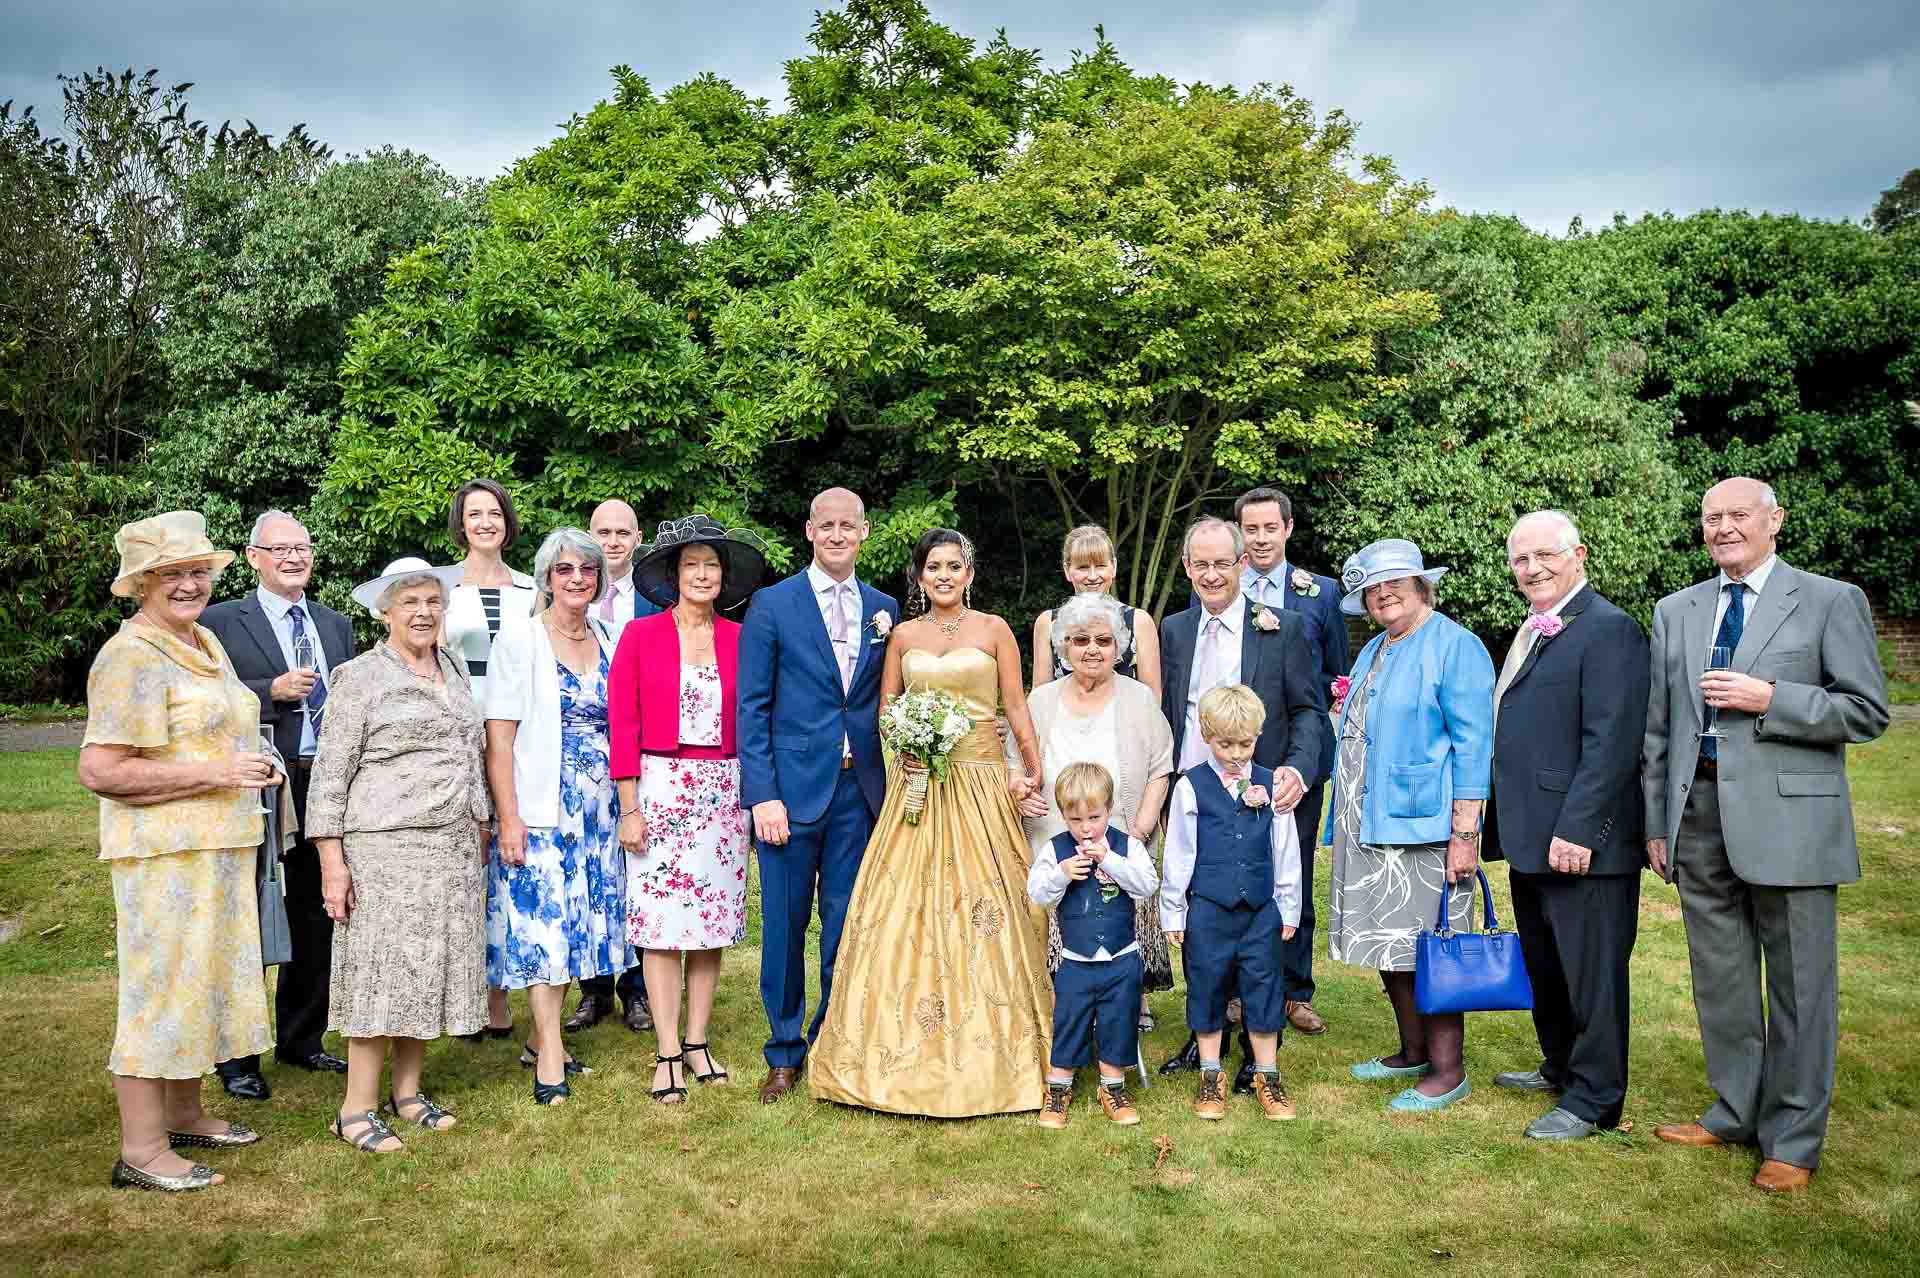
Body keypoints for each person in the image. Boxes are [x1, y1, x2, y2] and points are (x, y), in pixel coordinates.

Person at [1642, 478, 1889, 1193]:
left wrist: (1773, 699)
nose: (1723, 528)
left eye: (1738, 515)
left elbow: (1867, 710)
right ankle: (1733, 1111)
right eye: (1711, 517)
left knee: (1801, 988)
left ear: (1774, 521)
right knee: (1720, 981)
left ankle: (1793, 1138)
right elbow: (1660, 727)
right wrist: (1659, 821)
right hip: (1698, 819)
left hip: (1793, 822)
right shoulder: (1677, 610)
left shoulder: (1829, 600)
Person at [808, 527, 1054, 1117]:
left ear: (970, 574)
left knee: (990, 909)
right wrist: (907, 745)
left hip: (980, 784)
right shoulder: (902, 636)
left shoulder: (995, 630)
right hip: (921, 788)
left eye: (954, 566)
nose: (944, 576)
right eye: (933, 567)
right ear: (920, 576)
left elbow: (1014, 705)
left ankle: (1006, 1057)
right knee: (902, 910)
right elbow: (885, 709)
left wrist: (1032, 766)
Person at [79, 511, 276, 1191]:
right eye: (174, 574)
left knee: (207, 983)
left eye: (199, 571)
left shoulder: (202, 642)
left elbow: (215, 734)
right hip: (162, 857)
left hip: (219, 845)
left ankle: (187, 1111)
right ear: (142, 584)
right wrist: (219, 773)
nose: (192, 584)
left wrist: (251, 765)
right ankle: (141, 1149)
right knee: (160, 991)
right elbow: (102, 770)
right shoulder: (129, 656)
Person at [307, 558, 492, 1150]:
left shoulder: (455, 666)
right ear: (385, 611)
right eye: (409, 602)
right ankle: (355, 1109)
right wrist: (332, 864)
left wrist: (483, 819)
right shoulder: (358, 677)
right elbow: (330, 777)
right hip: (386, 848)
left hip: (455, 844)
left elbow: (473, 748)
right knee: (383, 973)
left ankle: (407, 1093)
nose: (422, 612)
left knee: (430, 968)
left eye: (432, 601)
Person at [1483, 511, 1649, 1140]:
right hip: (1531, 834)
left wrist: (1580, 828)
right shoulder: (1536, 628)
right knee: (1546, 963)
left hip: (1582, 839)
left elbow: (1612, 742)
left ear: (1577, 554)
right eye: (1521, 560)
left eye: (1544, 556)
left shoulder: (1610, 630)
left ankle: (1595, 1099)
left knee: (1592, 973)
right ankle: (1559, 1064)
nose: (1532, 569)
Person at [735, 488, 898, 1104]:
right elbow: (753, 707)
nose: (836, 535)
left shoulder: (884, 608)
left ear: (863, 532)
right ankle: (782, 1051)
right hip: (789, 795)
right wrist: (763, 796)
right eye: (825, 525)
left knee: (845, 923)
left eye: (847, 526)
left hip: (859, 793)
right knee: (781, 926)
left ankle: (830, 1035)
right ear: (809, 531)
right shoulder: (773, 606)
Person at [1324, 539, 1494, 1113]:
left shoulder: (1456, 646)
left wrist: (1465, 834)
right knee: (1388, 943)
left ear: (1423, 586)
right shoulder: (1374, 646)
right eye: (1372, 588)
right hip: (1368, 821)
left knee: (1433, 947)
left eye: (1395, 582)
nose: (1382, 593)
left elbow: (1474, 748)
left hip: (1424, 828)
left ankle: (1449, 1070)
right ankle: (1412, 1050)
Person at [1157, 516, 1322, 1085]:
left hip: (1259, 792)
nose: (1211, 575)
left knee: (1256, 916)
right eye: (1199, 564)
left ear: (1241, 564)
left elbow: (1308, 710)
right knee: (1203, 922)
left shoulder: (1284, 628)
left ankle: (1257, 1050)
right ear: (1186, 568)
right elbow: (1166, 710)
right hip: (1194, 794)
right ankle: (1205, 1038)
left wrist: (1296, 771)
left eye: (1221, 563)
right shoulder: (1173, 630)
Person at [609, 516, 765, 1104]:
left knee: (710, 927)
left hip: (723, 790)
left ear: (723, 577)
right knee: (660, 927)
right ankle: (668, 1050)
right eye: (691, 565)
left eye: (712, 565)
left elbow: (755, 719)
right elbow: (621, 725)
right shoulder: (640, 636)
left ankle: (698, 1042)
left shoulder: (740, 637)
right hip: (659, 787)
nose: (702, 574)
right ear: (673, 574)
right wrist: (629, 806)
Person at [199, 510, 354, 1100]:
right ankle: (236, 1056)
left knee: (319, 913)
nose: (294, 557)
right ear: (253, 556)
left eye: (303, 546)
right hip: (258, 781)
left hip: (326, 782)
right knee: (244, 917)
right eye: (280, 548)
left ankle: (301, 1038)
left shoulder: (335, 625)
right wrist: (269, 692)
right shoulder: (218, 623)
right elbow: (206, 696)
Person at [484, 529, 630, 1106]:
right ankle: (548, 1052)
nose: (577, 579)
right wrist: (509, 816)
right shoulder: (519, 641)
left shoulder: (611, 637)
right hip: (544, 806)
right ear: (547, 578)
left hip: (601, 812)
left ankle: (542, 1036)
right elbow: (499, 741)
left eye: (587, 571)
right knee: (543, 932)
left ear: (600, 581)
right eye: (565, 570)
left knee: (577, 930)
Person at [1022, 593, 1175, 1026]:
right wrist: (1021, 789)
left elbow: (1162, 765)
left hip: (1120, 826)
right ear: (1064, 647)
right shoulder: (1042, 700)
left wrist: (1142, 825)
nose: (1092, 649)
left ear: (1119, 647)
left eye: (1104, 641)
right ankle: (1062, 999)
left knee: (1117, 908)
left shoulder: (1139, 698)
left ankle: (1131, 996)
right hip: (1053, 832)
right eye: (1081, 640)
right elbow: (1018, 762)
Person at [1231, 487, 1347, 1037]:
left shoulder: (1319, 594)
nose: (1259, 539)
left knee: (1294, 872)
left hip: (1297, 758)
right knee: (1236, 872)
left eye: (1269, 528)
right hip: (1236, 757)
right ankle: (1238, 988)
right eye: (1249, 530)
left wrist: (1304, 752)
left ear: (1288, 529)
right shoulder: (1219, 591)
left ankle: (1296, 990)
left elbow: (1335, 678)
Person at [1160, 685, 1303, 1122]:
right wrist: (1174, 910)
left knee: (1264, 988)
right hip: (1207, 909)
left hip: (1260, 911)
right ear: (1205, 734)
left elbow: (1286, 850)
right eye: (1226, 744)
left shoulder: (1271, 785)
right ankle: (1210, 1074)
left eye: (1246, 743)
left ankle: (1267, 1074)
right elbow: (1180, 852)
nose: (1237, 753)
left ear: (1258, 736)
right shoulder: (1190, 787)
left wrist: (1289, 906)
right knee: (1206, 986)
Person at [442, 478, 537, 1041]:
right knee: (461, 868)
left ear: (507, 521)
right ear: (462, 523)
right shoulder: (440, 586)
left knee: (505, 863)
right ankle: (459, 991)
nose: (485, 523)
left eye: (494, 513)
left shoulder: (532, 589)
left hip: (517, 738)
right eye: (475, 514)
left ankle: (498, 994)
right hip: (455, 736)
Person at [565, 499, 661, 1035]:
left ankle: (639, 990)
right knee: (591, 872)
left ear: (638, 537)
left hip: (643, 749)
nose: (613, 541)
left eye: (623, 532)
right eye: (603, 532)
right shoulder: (569, 597)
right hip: (582, 760)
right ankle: (594, 989)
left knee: (637, 870)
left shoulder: (655, 598)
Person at [1029, 762, 1159, 1129]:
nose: (1086, 828)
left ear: (1110, 807)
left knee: (1119, 1020)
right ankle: (1058, 1089)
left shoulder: (1126, 846)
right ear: (1064, 817)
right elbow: (1037, 892)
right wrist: (1061, 874)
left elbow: (1146, 885)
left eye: (1094, 817)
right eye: (1076, 820)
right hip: (1076, 960)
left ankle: (1113, 1087)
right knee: (1070, 1020)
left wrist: (1112, 862)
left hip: (1121, 957)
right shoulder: (1056, 851)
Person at [1030, 524, 1162, 697]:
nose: (1092, 576)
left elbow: (1153, 698)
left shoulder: (1139, 621)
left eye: (1100, 565)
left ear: (1113, 566)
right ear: (1067, 570)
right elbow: (1039, 696)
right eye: (1083, 567)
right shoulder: (1047, 622)